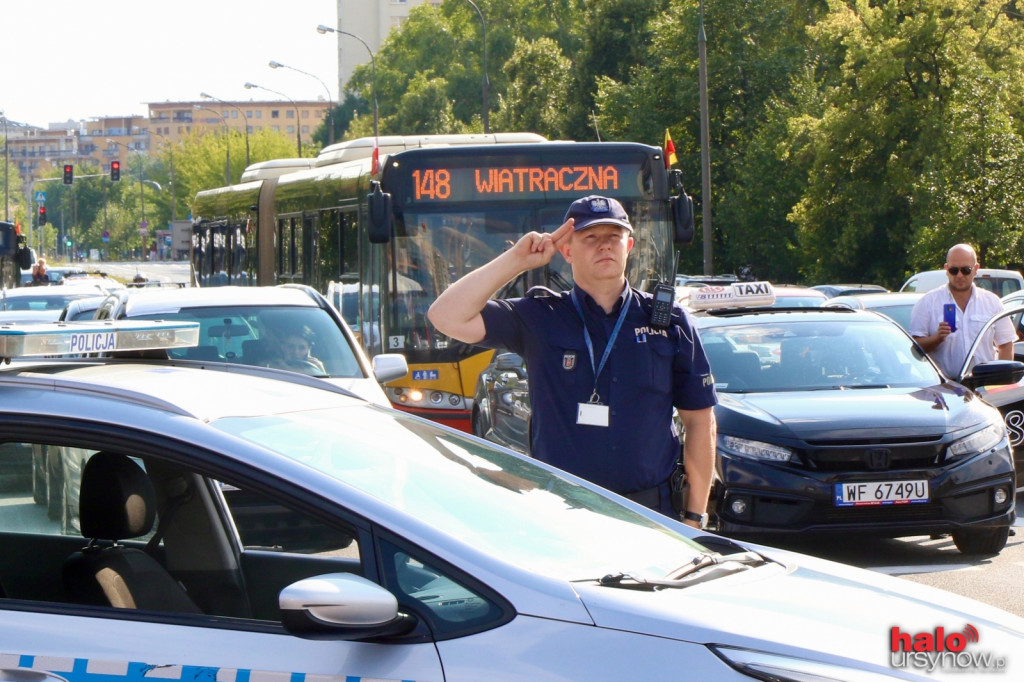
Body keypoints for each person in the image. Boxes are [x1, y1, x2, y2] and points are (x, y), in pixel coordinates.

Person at [427, 195, 718, 527]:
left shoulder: (667, 321)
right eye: (590, 237)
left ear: (629, 245)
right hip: (560, 516)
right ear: (567, 251)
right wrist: (516, 261)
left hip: (650, 515)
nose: (604, 246)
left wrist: (695, 516)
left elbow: (700, 422)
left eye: (613, 236)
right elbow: (445, 317)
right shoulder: (539, 316)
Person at [909, 243, 1014, 378]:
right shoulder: (928, 302)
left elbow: (1006, 344)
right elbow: (915, 349)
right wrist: (937, 338)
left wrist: (1000, 379)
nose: (959, 275)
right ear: (946, 269)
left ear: (976, 269)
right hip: (944, 388)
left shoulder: (992, 302)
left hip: (985, 385)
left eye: (965, 270)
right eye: (954, 270)